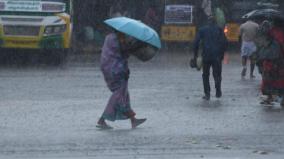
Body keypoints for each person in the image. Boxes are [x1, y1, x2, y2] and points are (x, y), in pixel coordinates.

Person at [97, 31, 147, 129]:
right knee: (119, 93)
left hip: (108, 66)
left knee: (123, 93)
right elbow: (124, 50)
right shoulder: (116, 39)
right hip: (115, 68)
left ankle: (133, 120)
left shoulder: (109, 36)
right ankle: (102, 119)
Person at [193, 16, 228, 100]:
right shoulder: (219, 30)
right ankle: (218, 91)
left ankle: (207, 94)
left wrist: (195, 55)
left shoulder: (202, 30)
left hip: (206, 56)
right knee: (217, 74)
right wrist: (222, 54)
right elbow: (225, 42)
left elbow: (196, 43)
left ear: (208, 22)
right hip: (217, 56)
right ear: (215, 22)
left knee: (205, 75)